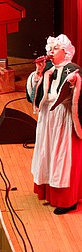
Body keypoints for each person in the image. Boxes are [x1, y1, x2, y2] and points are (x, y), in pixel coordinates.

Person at [26, 34, 82, 215]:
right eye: (50, 48)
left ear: (66, 52)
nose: (51, 51)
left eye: (56, 48)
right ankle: (50, 194)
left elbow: (77, 95)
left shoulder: (73, 70)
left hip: (63, 119)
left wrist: (75, 85)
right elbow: (33, 93)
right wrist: (38, 73)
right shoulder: (48, 68)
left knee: (62, 158)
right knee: (47, 154)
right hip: (47, 118)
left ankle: (67, 200)